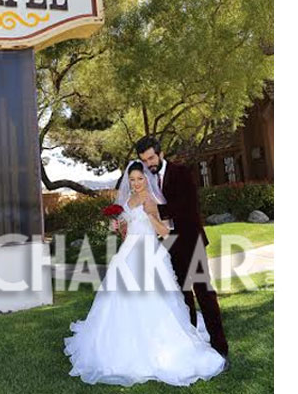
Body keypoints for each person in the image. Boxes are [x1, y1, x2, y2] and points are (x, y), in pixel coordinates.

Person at [63, 161, 226, 386]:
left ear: (146, 179)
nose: (136, 183)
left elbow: (165, 232)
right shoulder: (127, 201)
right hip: (129, 253)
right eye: (132, 180)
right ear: (127, 182)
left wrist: (151, 215)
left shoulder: (154, 199)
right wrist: (118, 228)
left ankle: (162, 348)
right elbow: (126, 233)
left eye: (140, 179)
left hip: (152, 254)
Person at [135, 136, 230, 363]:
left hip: (191, 242)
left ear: (160, 153)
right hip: (169, 245)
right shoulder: (147, 178)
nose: (149, 164)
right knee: (182, 296)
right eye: (144, 160)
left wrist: (159, 209)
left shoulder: (181, 172)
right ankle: (191, 344)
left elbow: (187, 208)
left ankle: (220, 348)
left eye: (151, 158)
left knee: (204, 294)